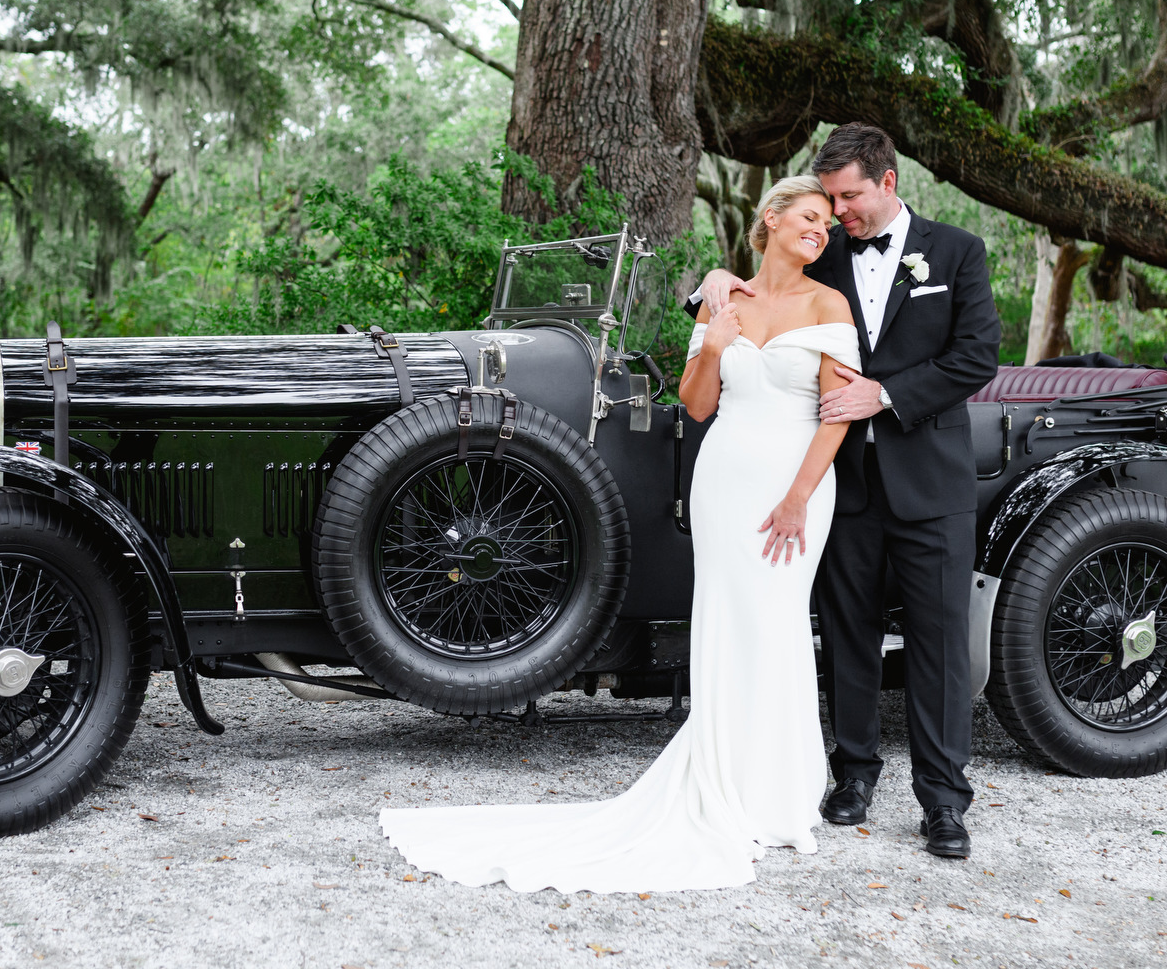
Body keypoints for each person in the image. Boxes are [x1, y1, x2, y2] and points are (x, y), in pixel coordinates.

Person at [379, 176, 861, 892]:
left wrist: (797, 497)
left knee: (778, 620)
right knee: (725, 621)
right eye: (810, 217)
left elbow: (839, 412)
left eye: (827, 223)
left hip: (795, 484)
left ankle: (780, 792)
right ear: (772, 218)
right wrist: (712, 343)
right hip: (726, 479)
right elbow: (697, 405)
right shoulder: (725, 298)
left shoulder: (829, 304)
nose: (820, 230)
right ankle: (727, 777)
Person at [692, 123, 1001, 859]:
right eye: (828, 200)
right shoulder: (822, 254)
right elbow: (746, 302)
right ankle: (853, 774)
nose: (838, 214)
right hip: (842, 483)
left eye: (850, 197)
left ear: (887, 183)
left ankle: (944, 801)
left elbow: (976, 357)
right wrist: (705, 283)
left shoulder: (957, 252)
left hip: (929, 481)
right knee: (849, 638)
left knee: (939, 644)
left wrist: (885, 395)